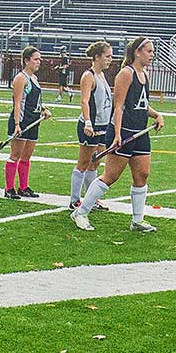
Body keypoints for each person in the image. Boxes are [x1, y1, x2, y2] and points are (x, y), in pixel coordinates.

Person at [75, 36, 166, 232]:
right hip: (124, 132)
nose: (152, 54)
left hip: (140, 132)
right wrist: (116, 134)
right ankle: (80, 212)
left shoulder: (145, 74)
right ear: (137, 52)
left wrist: (156, 114)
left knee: (142, 175)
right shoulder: (126, 73)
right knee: (111, 176)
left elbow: (141, 104)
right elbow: (119, 106)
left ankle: (137, 220)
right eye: (149, 51)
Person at [70, 41, 115, 227]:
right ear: (97, 57)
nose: (110, 60)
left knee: (95, 162)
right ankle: (74, 199)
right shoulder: (89, 76)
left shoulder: (102, 75)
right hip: (91, 126)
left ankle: (91, 198)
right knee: (84, 162)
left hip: (103, 126)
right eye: (107, 56)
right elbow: (85, 101)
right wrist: (88, 122)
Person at [3, 45, 44, 200]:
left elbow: (35, 101)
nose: (39, 62)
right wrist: (17, 124)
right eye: (36, 59)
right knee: (15, 155)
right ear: (27, 61)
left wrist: (43, 109)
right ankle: (9, 188)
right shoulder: (21, 78)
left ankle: (23, 187)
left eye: (39, 59)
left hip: (33, 121)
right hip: (22, 121)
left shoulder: (34, 78)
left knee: (26, 156)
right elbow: (18, 103)